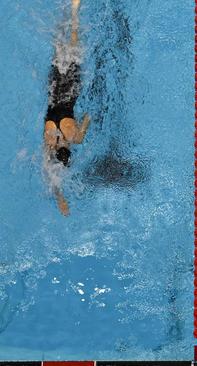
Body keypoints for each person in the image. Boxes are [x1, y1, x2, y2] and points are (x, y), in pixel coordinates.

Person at [43, 0, 91, 216]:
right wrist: (60, 199)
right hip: (53, 97)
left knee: (74, 47)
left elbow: (89, 116)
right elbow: (51, 177)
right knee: (58, 51)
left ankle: (73, 9)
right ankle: (63, 13)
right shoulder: (49, 141)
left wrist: (86, 123)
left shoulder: (75, 138)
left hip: (69, 95)